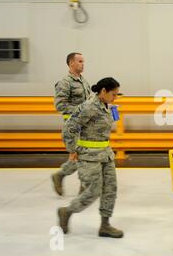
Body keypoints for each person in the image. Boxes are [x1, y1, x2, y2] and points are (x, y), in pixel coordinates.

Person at [57, 77, 123, 238]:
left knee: (110, 190)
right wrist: (72, 149)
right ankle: (67, 211)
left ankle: (105, 225)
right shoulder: (88, 107)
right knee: (93, 191)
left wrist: (113, 108)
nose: (115, 97)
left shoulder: (107, 105)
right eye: (113, 94)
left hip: (106, 155)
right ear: (103, 91)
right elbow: (69, 128)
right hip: (89, 156)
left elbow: (111, 121)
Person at [51, 52, 91, 196]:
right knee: (81, 156)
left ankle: (61, 176)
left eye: (83, 61)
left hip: (86, 125)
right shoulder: (65, 83)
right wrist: (82, 110)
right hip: (73, 126)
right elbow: (60, 106)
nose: (83, 64)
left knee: (84, 155)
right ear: (71, 63)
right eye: (80, 61)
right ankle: (83, 187)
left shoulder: (84, 81)